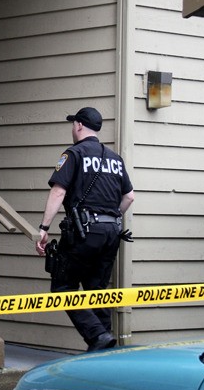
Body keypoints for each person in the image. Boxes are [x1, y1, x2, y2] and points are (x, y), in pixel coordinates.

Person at [36, 106, 134, 352]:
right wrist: (108, 218)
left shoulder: (74, 154)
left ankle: (98, 337)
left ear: (79, 125)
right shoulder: (114, 158)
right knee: (96, 289)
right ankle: (104, 346)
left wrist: (44, 227)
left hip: (84, 231)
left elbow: (58, 191)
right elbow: (130, 197)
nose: (73, 128)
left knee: (63, 287)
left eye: (73, 124)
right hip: (112, 231)